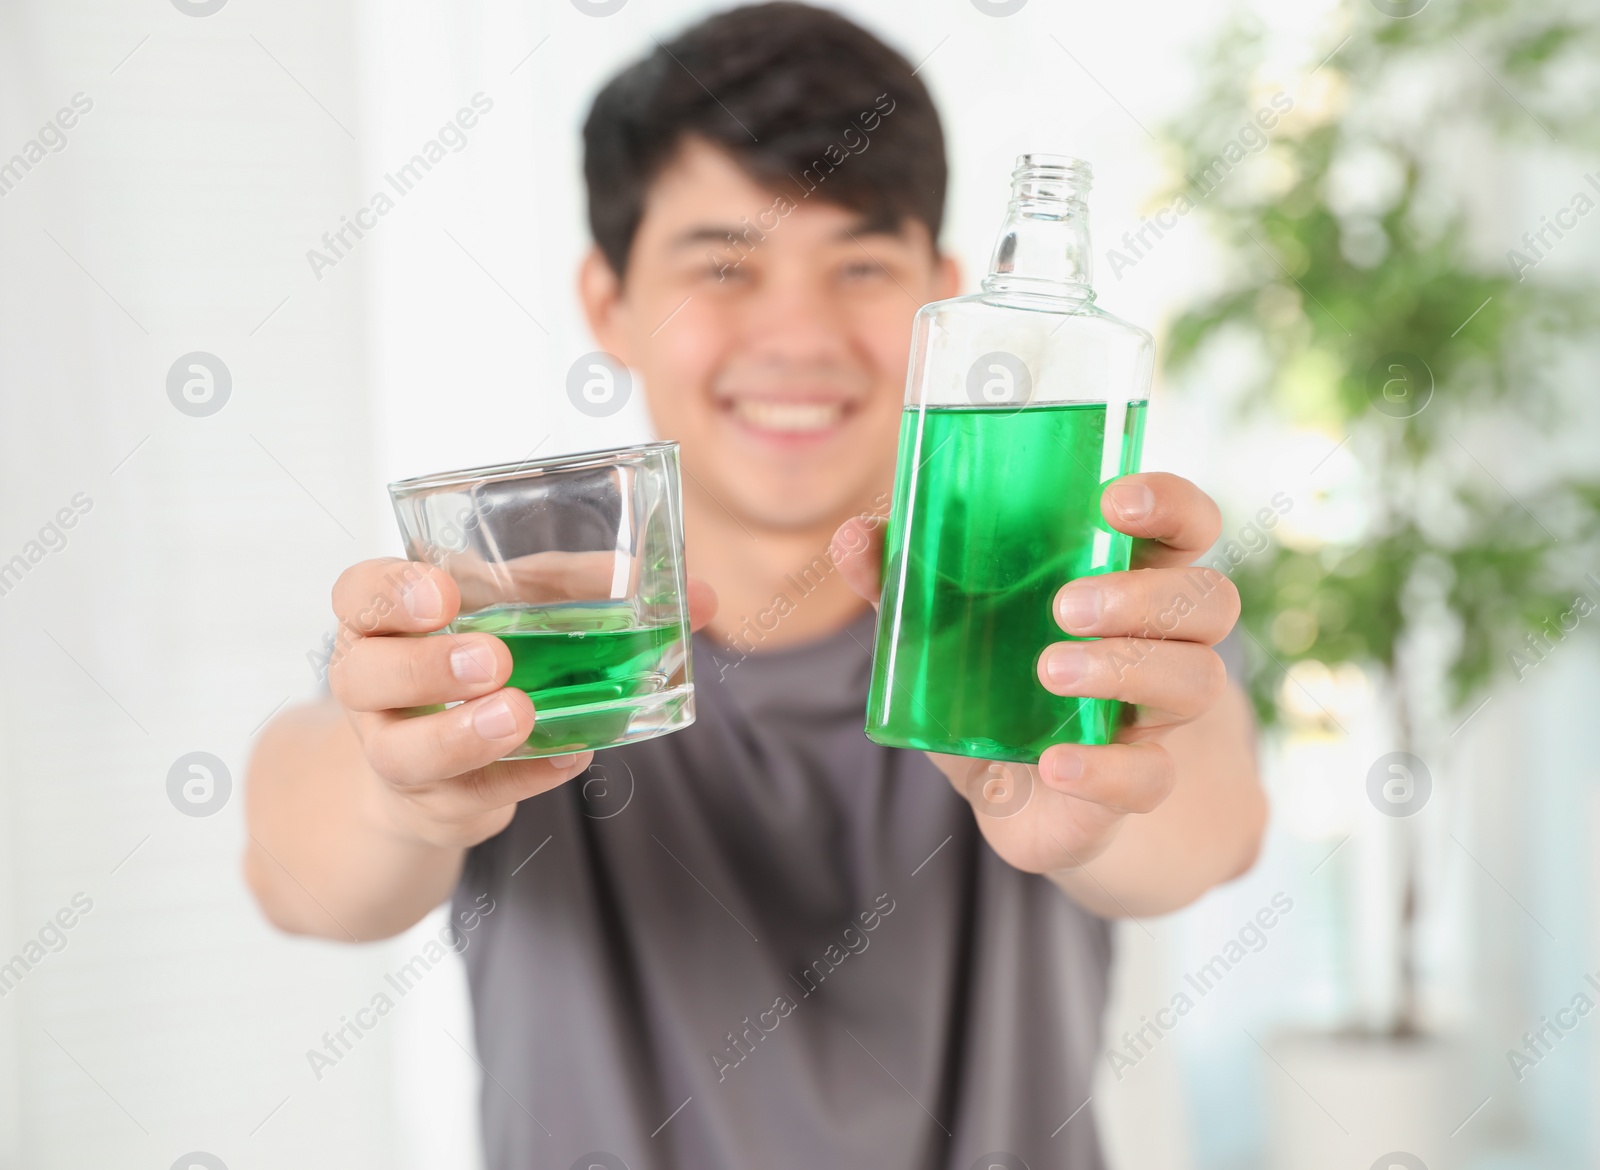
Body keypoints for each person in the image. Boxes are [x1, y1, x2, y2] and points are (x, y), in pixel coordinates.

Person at [244, 4, 1265, 1167]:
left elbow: (1210, 832)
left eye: (860, 265)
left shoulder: (1069, 617)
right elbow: (293, 866)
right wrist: (400, 793)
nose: (798, 333)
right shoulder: (510, 639)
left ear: (942, 301)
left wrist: (1097, 797)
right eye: (723, 265)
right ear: (607, 303)